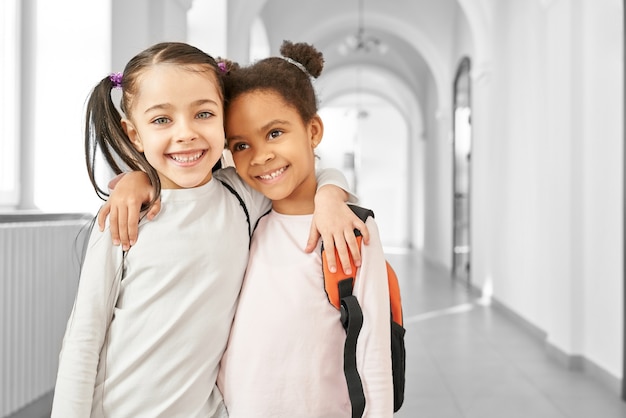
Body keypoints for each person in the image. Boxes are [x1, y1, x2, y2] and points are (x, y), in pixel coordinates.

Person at [51, 41, 363, 418]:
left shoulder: (242, 195)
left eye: (203, 114)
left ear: (223, 118)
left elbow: (304, 171)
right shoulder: (123, 217)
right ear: (135, 135)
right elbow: (84, 338)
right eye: (162, 120)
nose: (186, 134)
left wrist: (330, 195)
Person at [215, 41, 394, 417]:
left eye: (275, 133)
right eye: (241, 144)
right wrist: (141, 181)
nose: (260, 156)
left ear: (313, 131)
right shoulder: (244, 213)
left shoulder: (351, 227)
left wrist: (330, 197)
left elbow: (374, 352)